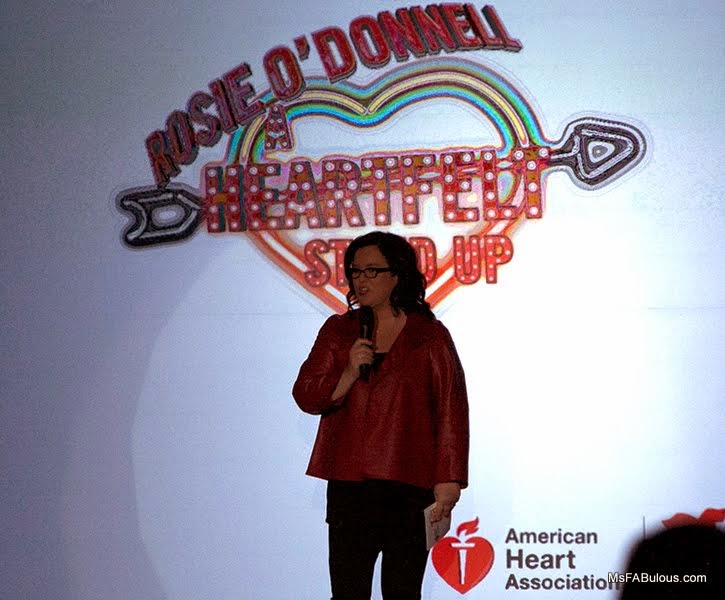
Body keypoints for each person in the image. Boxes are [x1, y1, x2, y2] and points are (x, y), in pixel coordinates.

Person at [293, 231, 469, 600]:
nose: (361, 280)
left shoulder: (429, 335)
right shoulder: (339, 330)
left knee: (403, 592)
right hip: (350, 485)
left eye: (372, 271)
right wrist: (347, 374)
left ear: (397, 275)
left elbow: (450, 410)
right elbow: (306, 394)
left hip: (410, 484)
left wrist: (448, 480)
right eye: (355, 271)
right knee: (348, 592)